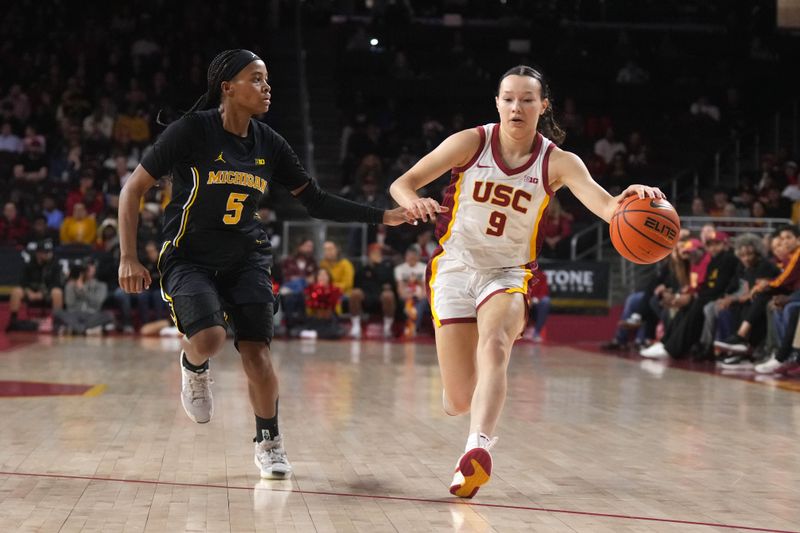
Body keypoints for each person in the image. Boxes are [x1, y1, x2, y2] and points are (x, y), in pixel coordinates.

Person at [118, 49, 413, 480]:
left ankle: (268, 442)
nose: (266, 86)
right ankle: (193, 365)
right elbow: (132, 190)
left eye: (268, 79)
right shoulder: (191, 132)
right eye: (256, 78)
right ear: (227, 87)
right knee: (210, 339)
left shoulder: (270, 143)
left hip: (246, 258)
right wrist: (128, 255)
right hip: (189, 256)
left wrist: (381, 215)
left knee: (257, 354)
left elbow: (315, 201)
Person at [389, 65, 663, 498]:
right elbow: (402, 184)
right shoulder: (471, 142)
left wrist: (633, 198)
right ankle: (465, 410)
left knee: (496, 342)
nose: (517, 107)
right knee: (458, 398)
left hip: (510, 272)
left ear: (543, 105)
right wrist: (414, 201)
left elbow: (609, 208)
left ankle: (476, 450)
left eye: (527, 99)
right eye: (509, 98)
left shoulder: (559, 161)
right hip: (455, 268)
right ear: (497, 103)